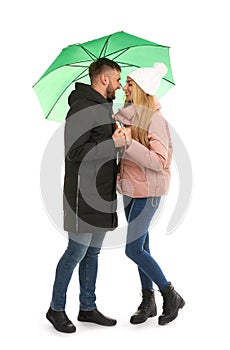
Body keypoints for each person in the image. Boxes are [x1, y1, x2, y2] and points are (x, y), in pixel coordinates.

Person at [46, 58, 124, 333]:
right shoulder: (82, 107)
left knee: (93, 253)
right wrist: (110, 142)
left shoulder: (104, 108)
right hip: (82, 194)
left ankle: (87, 307)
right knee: (76, 252)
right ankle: (55, 309)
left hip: (102, 193)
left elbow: (99, 148)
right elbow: (75, 152)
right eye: (116, 79)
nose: (119, 85)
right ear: (104, 79)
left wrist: (117, 140)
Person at [113, 63, 185, 326]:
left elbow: (158, 161)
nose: (125, 87)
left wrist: (128, 143)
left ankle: (170, 294)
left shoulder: (156, 120)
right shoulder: (127, 118)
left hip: (149, 192)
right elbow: (126, 156)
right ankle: (148, 301)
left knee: (132, 249)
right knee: (143, 246)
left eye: (130, 84)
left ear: (142, 89)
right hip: (130, 189)